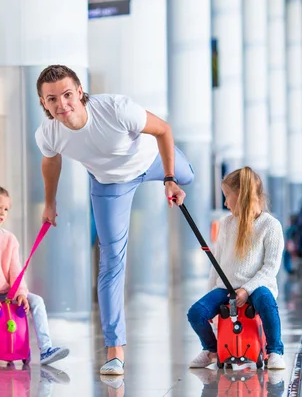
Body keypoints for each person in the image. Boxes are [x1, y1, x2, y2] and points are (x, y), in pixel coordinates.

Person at [33, 64, 194, 375]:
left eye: (67, 95)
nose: (61, 104)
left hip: (153, 161)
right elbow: (50, 162)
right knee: (111, 263)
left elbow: (163, 130)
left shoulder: (117, 109)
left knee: (189, 175)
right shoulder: (49, 133)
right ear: (44, 103)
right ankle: (115, 350)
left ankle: (177, 164)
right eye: (52, 99)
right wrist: (50, 202)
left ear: (79, 92)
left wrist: (171, 178)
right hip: (110, 184)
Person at [187, 167, 286, 370]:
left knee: (267, 303)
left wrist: (246, 290)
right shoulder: (226, 224)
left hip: (257, 288)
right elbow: (217, 263)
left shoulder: (271, 226)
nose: (225, 203)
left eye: (227, 196)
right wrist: (211, 299)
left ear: (241, 195)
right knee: (196, 313)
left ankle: (275, 351)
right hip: (226, 288)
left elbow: (270, 268)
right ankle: (212, 350)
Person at [0, 184, 70, 369]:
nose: (2, 213)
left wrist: (20, 292)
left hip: (8, 292)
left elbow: (15, 269)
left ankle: (46, 349)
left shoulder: (9, 239)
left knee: (36, 301)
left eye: (6, 209)